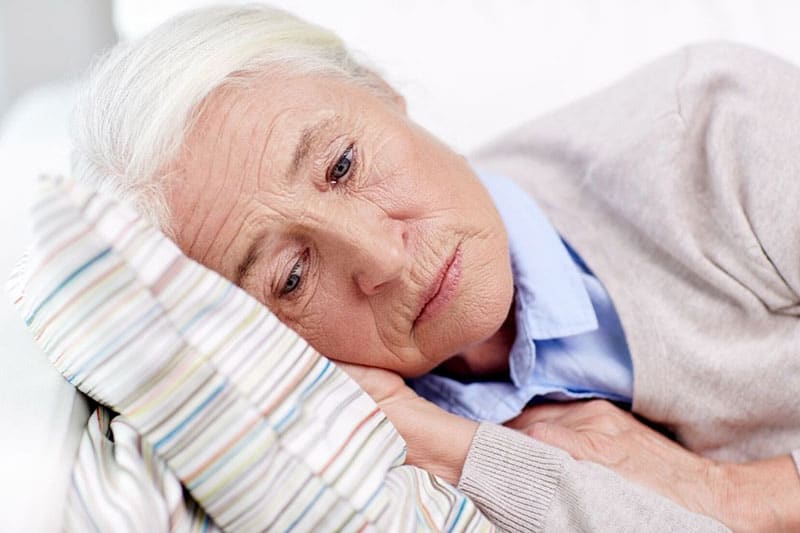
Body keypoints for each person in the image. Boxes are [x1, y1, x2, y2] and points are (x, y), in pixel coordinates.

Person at [70, 5, 799, 531]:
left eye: (342, 165)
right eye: (291, 277)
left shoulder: (716, 129)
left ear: (382, 93)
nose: (384, 257)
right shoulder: (382, 459)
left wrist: (734, 496)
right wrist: (449, 448)